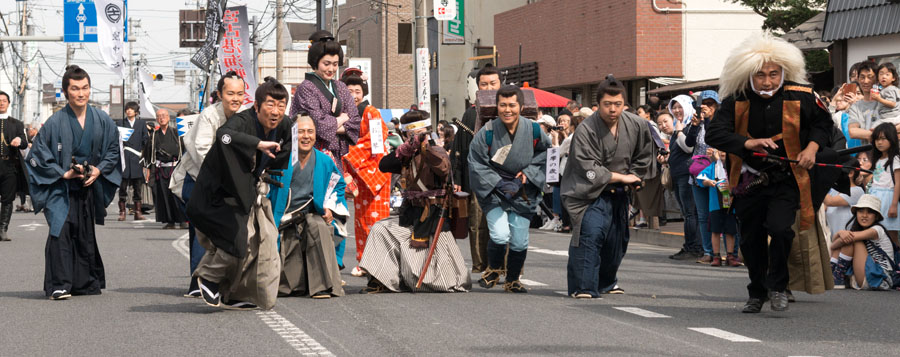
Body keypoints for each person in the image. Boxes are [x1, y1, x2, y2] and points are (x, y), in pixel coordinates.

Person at [705, 34, 835, 313]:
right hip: (749, 180)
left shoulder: (802, 94)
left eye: (773, 74)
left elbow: (824, 125)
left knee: (781, 230)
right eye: (761, 75)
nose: (767, 81)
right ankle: (756, 292)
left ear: (784, 72)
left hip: (787, 178)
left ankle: (779, 287)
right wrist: (747, 143)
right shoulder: (735, 99)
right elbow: (714, 133)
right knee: (750, 238)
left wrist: (811, 148)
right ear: (748, 74)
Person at [188, 77, 292, 310]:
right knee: (237, 241)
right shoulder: (242, 121)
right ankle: (207, 277)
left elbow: (282, 156)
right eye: (270, 105)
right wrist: (256, 144)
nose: (276, 112)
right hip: (217, 193)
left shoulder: (284, 125)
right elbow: (223, 136)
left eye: (281, 105)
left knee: (257, 243)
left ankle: (234, 293)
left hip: (245, 193)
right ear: (256, 106)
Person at [26, 65, 122, 300]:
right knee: (61, 230)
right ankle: (58, 284)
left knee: (83, 231)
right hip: (61, 187)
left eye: (85, 88)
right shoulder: (54, 122)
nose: (81, 93)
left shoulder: (101, 119)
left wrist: (98, 170)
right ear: (66, 92)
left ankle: (84, 283)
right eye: (75, 89)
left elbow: (113, 150)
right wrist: (62, 172)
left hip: (88, 185)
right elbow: (37, 156)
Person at [358, 110, 470, 293]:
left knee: (442, 280)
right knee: (380, 230)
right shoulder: (406, 153)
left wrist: (426, 148)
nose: (414, 138)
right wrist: (407, 149)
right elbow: (384, 165)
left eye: (418, 134)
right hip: (411, 215)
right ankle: (380, 280)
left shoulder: (437, 150)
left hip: (433, 217)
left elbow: (442, 167)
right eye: (410, 135)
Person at [561, 75, 653, 298]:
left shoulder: (637, 125)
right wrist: (622, 177)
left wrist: (635, 176)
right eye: (607, 104)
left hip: (619, 193)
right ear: (598, 105)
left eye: (618, 104)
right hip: (588, 192)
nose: (613, 109)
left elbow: (645, 155)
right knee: (590, 235)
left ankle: (607, 282)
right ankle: (583, 286)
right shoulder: (586, 129)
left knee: (616, 241)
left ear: (625, 104)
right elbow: (587, 166)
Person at [169, 71, 246, 298]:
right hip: (197, 180)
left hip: (228, 183)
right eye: (230, 93)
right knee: (201, 229)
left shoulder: (244, 116)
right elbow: (201, 151)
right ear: (220, 94)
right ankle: (198, 280)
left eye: (240, 93)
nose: (235, 98)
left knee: (223, 230)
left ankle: (220, 280)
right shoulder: (209, 115)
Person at [469, 86, 550, 293]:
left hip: (523, 189)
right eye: (502, 105)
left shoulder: (533, 130)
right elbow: (476, 162)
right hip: (495, 190)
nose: (507, 110)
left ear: (521, 107)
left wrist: (529, 173)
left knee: (520, 238)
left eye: (512, 105)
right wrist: (497, 182)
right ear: (496, 107)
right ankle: (493, 270)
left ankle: (513, 279)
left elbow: (546, 154)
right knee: (500, 234)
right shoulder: (487, 132)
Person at [271, 114, 348, 299]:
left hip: (311, 213)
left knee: (319, 226)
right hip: (282, 217)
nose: (306, 136)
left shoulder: (325, 161)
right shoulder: (280, 158)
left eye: (310, 131)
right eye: (301, 131)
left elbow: (338, 185)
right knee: (289, 283)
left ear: (316, 135)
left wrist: (329, 206)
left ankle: (324, 286)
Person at [451, 65, 502, 273]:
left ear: (501, 85)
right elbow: (460, 150)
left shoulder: (508, 110)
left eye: (493, 83)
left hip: (505, 177)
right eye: (484, 84)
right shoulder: (470, 114)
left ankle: (504, 266)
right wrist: (458, 177)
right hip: (477, 178)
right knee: (477, 222)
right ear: (478, 87)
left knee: (503, 222)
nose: (489, 88)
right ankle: (480, 263)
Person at [339, 73, 391, 276]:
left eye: (357, 91)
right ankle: (363, 261)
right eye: (349, 91)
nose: (354, 95)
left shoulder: (371, 112)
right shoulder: (346, 114)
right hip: (359, 173)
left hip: (375, 172)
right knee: (361, 220)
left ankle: (379, 262)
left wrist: (349, 154)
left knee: (376, 220)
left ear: (364, 93)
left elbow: (377, 140)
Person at [289, 30, 360, 172]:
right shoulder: (306, 88)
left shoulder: (340, 86)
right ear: (315, 62)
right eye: (326, 64)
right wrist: (342, 119)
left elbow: (355, 120)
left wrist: (333, 124)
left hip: (336, 154)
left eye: (335, 64)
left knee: (335, 193)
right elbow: (317, 125)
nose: (331, 69)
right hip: (311, 152)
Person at [830, 194, 896, 290]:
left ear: (876, 216)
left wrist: (840, 235)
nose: (864, 215)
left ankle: (837, 277)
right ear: (856, 213)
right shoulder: (858, 230)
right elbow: (834, 245)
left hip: (880, 278)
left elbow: (837, 243)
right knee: (848, 239)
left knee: (853, 240)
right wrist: (840, 233)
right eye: (861, 211)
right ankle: (832, 274)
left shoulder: (876, 230)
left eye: (869, 212)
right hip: (867, 272)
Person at [686, 90, 721, 263]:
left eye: (709, 103)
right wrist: (693, 126)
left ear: (716, 106)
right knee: (702, 215)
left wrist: (706, 120)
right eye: (703, 104)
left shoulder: (721, 124)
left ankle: (731, 253)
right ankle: (708, 252)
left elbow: (713, 138)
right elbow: (688, 143)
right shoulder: (698, 123)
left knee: (723, 212)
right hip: (698, 174)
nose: (705, 107)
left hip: (718, 175)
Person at [667, 94, 703, 260]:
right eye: (674, 107)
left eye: (680, 106)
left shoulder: (690, 126)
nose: (676, 110)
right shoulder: (678, 126)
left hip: (687, 174)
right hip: (678, 173)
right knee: (687, 212)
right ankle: (692, 245)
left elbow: (688, 148)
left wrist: (680, 130)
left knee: (690, 213)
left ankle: (693, 247)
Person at [696, 148, 740, 267]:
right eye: (720, 150)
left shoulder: (734, 166)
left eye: (725, 150)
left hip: (730, 204)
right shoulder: (713, 167)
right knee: (715, 231)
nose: (722, 153)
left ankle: (731, 255)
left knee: (730, 231)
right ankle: (716, 256)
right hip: (715, 204)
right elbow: (700, 178)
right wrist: (708, 182)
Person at [144, 108, 185, 229]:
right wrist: (147, 170)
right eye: (159, 116)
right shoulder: (153, 136)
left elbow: (183, 150)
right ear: (156, 119)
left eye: (164, 115)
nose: (161, 118)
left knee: (177, 195)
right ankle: (170, 221)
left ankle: (182, 220)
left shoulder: (176, 133)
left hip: (175, 168)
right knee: (164, 195)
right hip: (160, 169)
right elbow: (148, 154)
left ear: (168, 117)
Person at [0, 90, 27, 241]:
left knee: (8, 199)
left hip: (9, 164)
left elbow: (24, 143)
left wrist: (18, 139)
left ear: (8, 103)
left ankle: (3, 229)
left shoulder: (17, 124)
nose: (1, 103)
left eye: (4, 100)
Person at [867, 123, 900, 246]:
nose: (879, 142)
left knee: (891, 234)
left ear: (892, 139)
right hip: (875, 198)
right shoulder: (877, 158)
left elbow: (898, 184)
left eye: (883, 138)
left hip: (888, 199)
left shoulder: (895, 159)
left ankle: (896, 261)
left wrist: (894, 205)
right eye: (877, 139)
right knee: (877, 232)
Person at [116, 101, 148, 221]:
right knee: (123, 187)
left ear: (136, 111)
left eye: (131, 109)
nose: (129, 111)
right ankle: (122, 211)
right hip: (124, 158)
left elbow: (145, 138)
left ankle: (138, 212)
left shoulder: (141, 123)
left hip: (137, 157)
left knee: (137, 187)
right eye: (127, 109)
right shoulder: (120, 123)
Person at [847, 62, 881, 141]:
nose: (866, 81)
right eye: (862, 77)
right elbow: (853, 132)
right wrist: (884, 135)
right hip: (867, 151)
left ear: (877, 79)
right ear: (858, 79)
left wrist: (865, 133)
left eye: (870, 77)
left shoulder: (886, 101)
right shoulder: (855, 107)